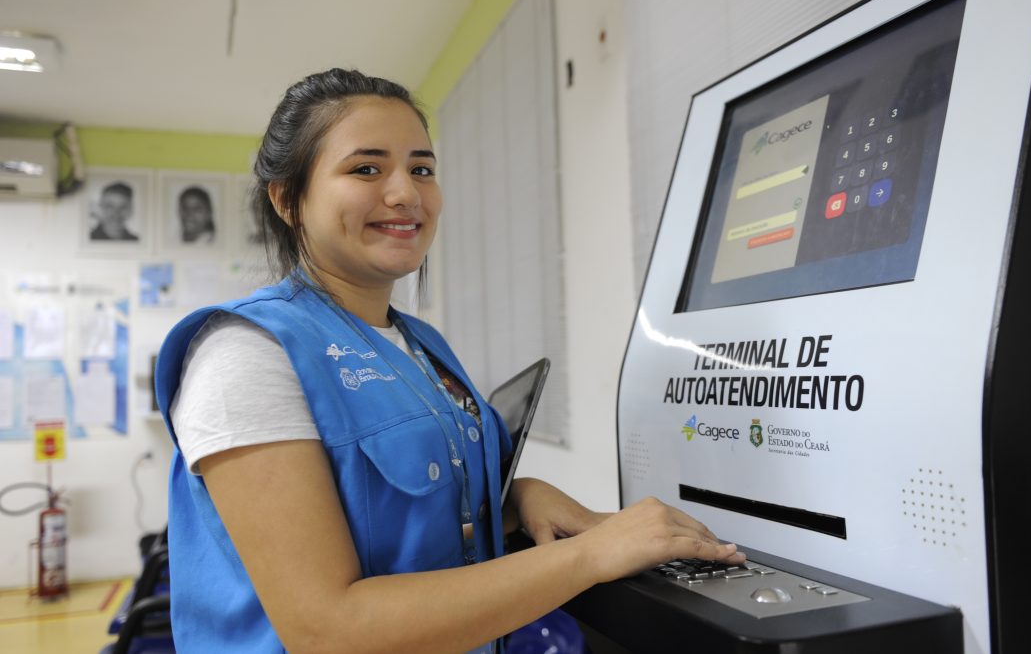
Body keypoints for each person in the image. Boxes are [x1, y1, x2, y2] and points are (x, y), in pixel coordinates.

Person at [154, 68, 744, 653]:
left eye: (421, 168)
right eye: (366, 168)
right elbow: (326, 628)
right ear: (288, 199)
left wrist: (517, 498)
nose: (406, 193)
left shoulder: (423, 346)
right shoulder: (246, 353)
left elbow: (414, 516)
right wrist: (590, 553)